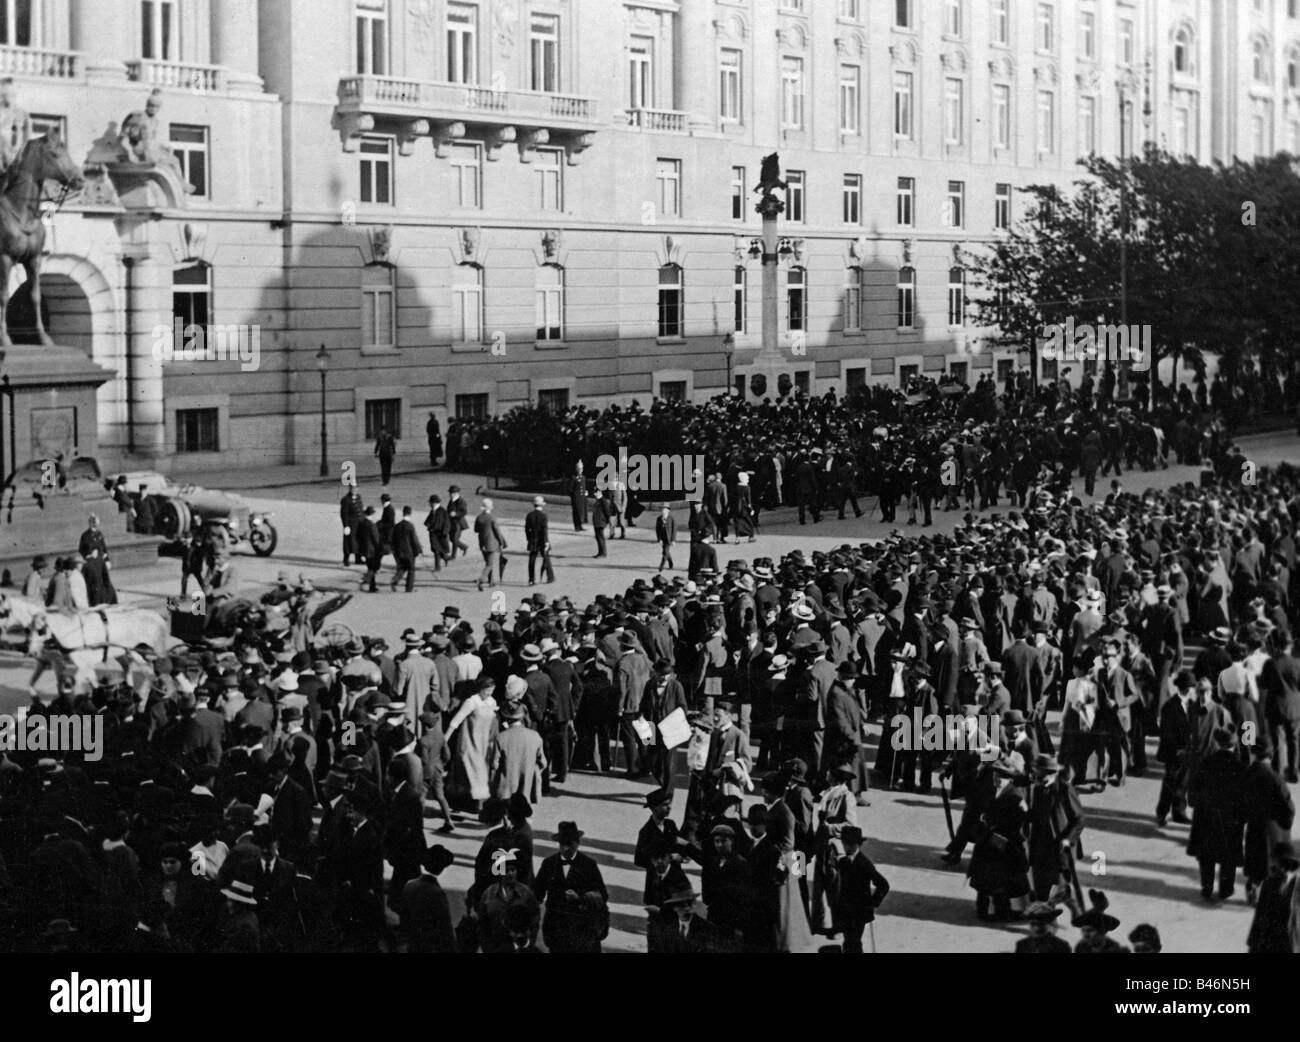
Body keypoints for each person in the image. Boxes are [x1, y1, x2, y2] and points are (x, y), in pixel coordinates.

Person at [1187, 726, 1247, 902]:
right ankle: (1226, 889)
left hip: (1207, 816)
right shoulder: (1239, 767)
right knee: (1228, 856)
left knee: (1207, 854)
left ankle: (1207, 886)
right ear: (1234, 745)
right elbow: (1245, 797)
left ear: (1217, 743)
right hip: (1231, 819)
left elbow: (1195, 789)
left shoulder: (1206, 762)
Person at [532, 821, 608, 953]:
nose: (565, 849)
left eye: (570, 844)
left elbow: (602, 896)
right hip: (556, 932)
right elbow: (537, 894)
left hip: (582, 931)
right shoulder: (549, 864)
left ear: (578, 843)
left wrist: (580, 898)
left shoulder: (589, 865)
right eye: (562, 844)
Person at [446, 674, 499, 814]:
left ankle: (478, 803)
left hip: (484, 743)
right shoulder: (471, 702)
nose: (489, 693)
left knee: (481, 773)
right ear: (480, 689)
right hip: (469, 742)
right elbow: (456, 721)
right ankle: (460, 803)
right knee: (467, 772)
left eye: (492, 690)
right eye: (487, 690)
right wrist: (446, 738)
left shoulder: (492, 702)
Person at [835, 825, 889, 953]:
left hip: (859, 912)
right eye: (843, 843)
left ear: (856, 845)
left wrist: (872, 903)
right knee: (850, 941)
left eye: (847, 844)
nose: (844, 847)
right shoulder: (843, 862)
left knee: (852, 942)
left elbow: (883, 885)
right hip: (846, 911)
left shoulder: (864, 864)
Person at [1246, 840, 1300, 953]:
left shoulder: (1295, 886)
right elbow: (1260, 914)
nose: (1287, 871)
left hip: (1284, 941)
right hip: (1274, 940)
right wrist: (1253, 943)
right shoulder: (1270, 882)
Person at [401, 845, 456, 952]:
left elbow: (404, 917)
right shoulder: (437, 893)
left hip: (413, 943)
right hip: (430, 946)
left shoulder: (410, 884)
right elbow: (445, 927)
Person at [0, 77, 32, 176]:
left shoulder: (22, 114)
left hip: (16, 159)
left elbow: (27, 139)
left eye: (13, 95)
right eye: (6, 94)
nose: (10, 97)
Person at [474, 498, 507, 591]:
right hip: (491, 543)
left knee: (488, 562)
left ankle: (491, 580)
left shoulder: (479, 517)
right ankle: (481, 579)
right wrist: (501, 542)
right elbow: (497, 531)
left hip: (482, 543)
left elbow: (476, 530)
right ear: (490, 508)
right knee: (489, 564)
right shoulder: (492, 518)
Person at [389, 506, 422, 593]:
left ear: (403, 513)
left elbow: (393, 540)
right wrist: (418, 550)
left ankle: (395, 580)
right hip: (409, 551)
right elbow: (414, 540)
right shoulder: (410, 526)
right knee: (411, 569)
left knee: (402, 568)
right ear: (410, 514)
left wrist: (395, 551)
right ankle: (409, 588)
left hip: (399, 551)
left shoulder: (397, 526)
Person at [524, 496, 555, 586]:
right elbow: (544, 530)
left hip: (533, 539)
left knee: (532, 559)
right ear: (542, 505)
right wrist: (546, 541)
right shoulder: (543, 516)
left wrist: (528, 538)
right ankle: (550, 576)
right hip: (542, 539)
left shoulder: (530, 515)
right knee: (546, 558)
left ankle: (531, 579)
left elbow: (526, 528)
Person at [339, 485, 364, 566]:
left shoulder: (358, 497)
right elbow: (344, 513)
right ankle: (346, 559)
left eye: (356, 488)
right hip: (351, 525)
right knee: (348, 543)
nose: (355, 490)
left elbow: (360, 510)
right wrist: (345, 525)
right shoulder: (346, 499)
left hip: (359, 524)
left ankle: (358, 558)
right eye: (353, 488)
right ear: (350, 489)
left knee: (359, 542)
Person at [447, 486, 470, 558]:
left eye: (452, 493)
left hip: (459, 523)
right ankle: (464, 547)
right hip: (452, 523)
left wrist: (456, 514)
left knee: (454, 538)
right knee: (451, 538)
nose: (451, 494)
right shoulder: (451, 500)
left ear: (457, 493)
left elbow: (464, 512)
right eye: (450, 493)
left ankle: (453, 556)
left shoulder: (461, 501)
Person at [568, 461, 588, 532]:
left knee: (581, 512)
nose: (580, 470)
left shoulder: (583, 477)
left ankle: (580, 525)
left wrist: (585, 493)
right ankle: (576, 526)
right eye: (579, 469)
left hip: (582, 498)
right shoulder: (573, 478)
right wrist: (573, 496)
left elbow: (584, 487)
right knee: (576, 512)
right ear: (576, 469)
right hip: (576, 498)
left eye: (581, 469)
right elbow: (570, 489)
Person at [655, 505, 676, 572]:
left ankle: (661, 566)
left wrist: (673, 540)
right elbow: (657, 530)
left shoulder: (671, 518)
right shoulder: (659, 518)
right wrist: (659, 539)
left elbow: (674, 530)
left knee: (664, 552)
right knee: (666, 552)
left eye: (665, 510)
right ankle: (671, 563)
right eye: (662, 510)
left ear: (668, 511)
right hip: (662, 538)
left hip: (669, 539)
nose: (663, 511)